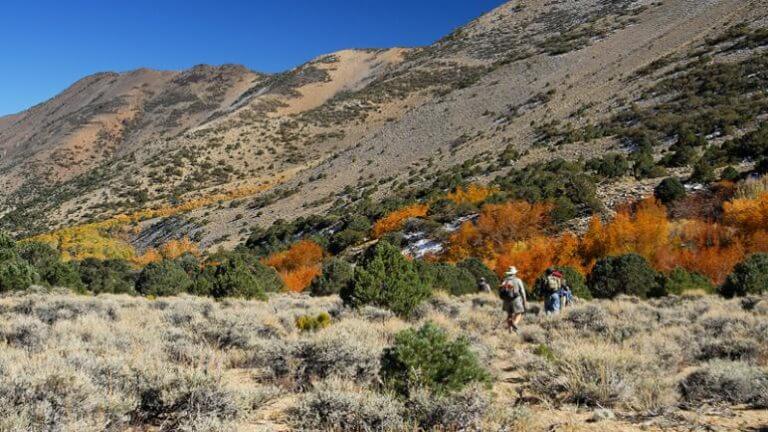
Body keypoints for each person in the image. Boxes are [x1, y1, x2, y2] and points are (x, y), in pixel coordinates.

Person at [500, 266, 527, 333]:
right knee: (519, 313)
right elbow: (522, 291)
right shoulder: (518, 280)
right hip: (516, 300)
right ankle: (515, 323)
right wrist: (524, 301)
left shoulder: (504, 281)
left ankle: (510, 331)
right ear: (514, 273)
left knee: (509, 315)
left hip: (506, 300)